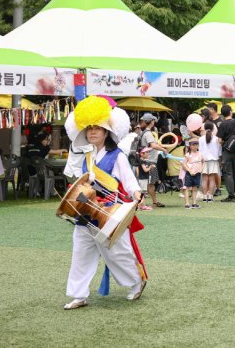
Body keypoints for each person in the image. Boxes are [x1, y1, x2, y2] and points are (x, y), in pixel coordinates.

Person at [62, 96, 146, 310]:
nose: (92, 132)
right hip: (85, 213)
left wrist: (136, 193)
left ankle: (137, 282)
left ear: (107, 131)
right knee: (81, 253)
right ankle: (78, 295)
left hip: (111, 212)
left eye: (97, 128)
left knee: (118, 253)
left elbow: (128, 181)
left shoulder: (117, 156)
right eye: (89, 128)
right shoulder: (87, 156)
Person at [138, 113, 167, 209]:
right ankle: (144, 203)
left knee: (149, 183)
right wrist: (163, 150)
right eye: (153, 120)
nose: (154, 122)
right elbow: (153, 146)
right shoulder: (148, 133)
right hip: (150, 161)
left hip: (147, 160)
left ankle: (154, 201)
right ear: (151, 121)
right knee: (149, 183)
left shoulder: (143, 133)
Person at [216, 104, 235, 202]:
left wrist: (225, 142)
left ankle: (231, 195)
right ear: (231, 112)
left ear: (222, 114)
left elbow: (219, 140)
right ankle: (233, 193)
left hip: (226, 151)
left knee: (228, 173)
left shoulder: (222, 124)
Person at [198, 120, 221, 202]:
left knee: (204, 179)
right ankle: (210, 196)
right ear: (212, 128)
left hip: (204, 160)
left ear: (204, 128)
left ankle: (204, 196)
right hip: (213, 160)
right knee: (212, 179)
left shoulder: (200, 139)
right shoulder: (216, 139)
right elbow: (219, 150)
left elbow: (200, 151)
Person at [181, 139, 203, 209]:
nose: (195, 146)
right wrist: (189, 170)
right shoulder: (188, 155)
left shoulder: (200, 154)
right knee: (187, 188)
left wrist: (201, 169)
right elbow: (184, 164)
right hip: (189, 174)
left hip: (197, 174)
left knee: (195, 188)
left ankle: (194, 203)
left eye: (196, 145)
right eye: (193, 145)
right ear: (190, 146)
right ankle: (187, 203)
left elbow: (203, 162)